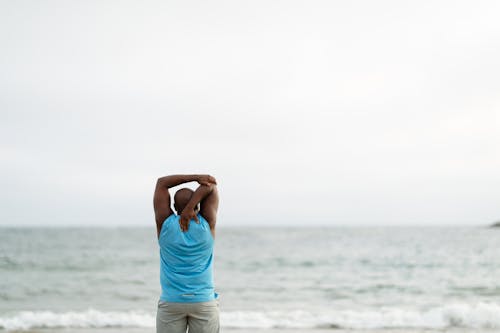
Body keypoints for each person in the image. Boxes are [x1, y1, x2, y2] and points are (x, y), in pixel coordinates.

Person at [153, 174, 220, 333]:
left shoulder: (164, 224)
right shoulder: (207, 224)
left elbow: (161, 183)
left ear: (174, 207)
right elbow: (211, 185)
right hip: (203, 302)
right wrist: (192, 206)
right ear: (198, 204)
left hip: (172, 302)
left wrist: (195, 177)